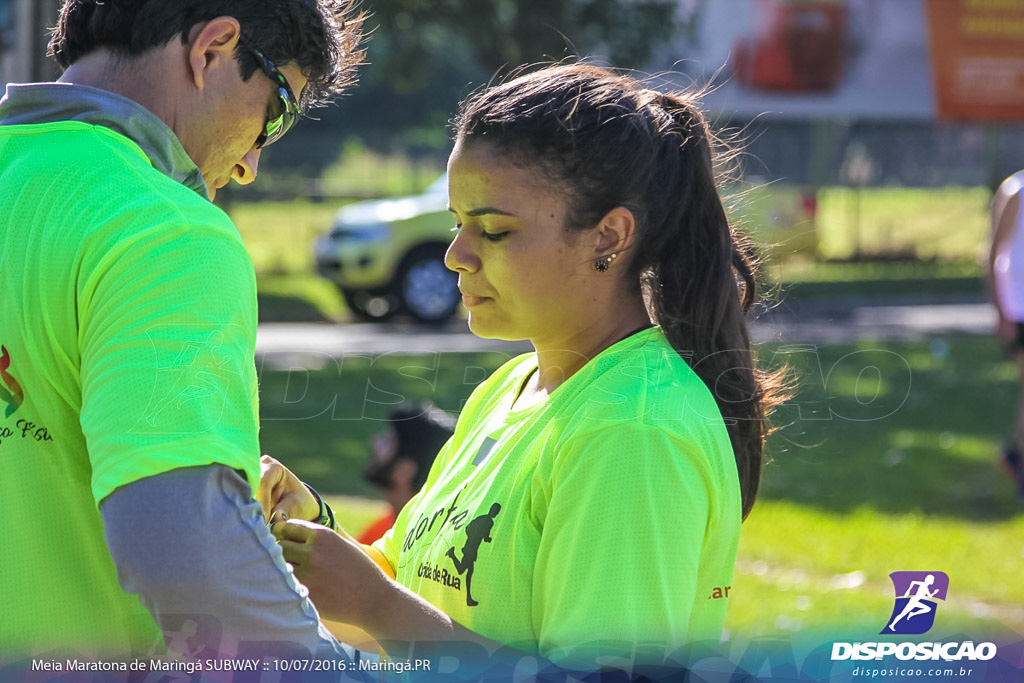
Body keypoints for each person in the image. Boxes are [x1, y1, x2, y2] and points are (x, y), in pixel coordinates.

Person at [259, 63, 784, 673]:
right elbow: (419, 594)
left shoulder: (632, 432)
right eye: (458, 223)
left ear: (608, 237)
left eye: (494, 230)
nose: (457, 256)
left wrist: (377, 606)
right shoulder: (510, 388)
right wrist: (313, 532)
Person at [0, 0, 365, 662]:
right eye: (274, 112)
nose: (253, 161)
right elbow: (187, 558)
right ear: (213, 50)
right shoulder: (163, 228)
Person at [358, 402, 456, 544]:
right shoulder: (382, 529)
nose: (376, 441)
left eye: (388, 441)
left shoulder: (435, 542)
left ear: (404, 471)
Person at [986, 169, 1024, 499]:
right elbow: (995, 251)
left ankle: (1014, 453)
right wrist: (1001, 311)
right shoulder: (1016, 191)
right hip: (1020, 307)